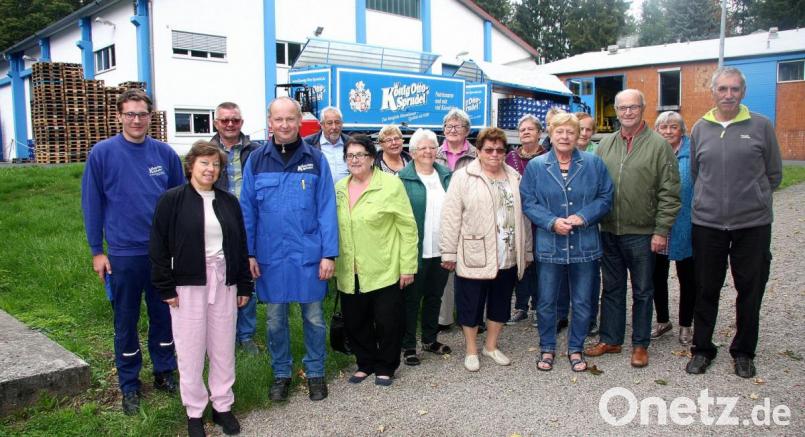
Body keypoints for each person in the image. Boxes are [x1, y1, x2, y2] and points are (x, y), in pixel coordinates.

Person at [81, 89, 182, 415]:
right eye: (130, 114)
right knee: (125, 321)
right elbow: (92, 204)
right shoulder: (103, 153)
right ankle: (129, 384)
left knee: (164, 316)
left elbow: (180, 204)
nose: (137, 120)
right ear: (119, 116)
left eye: (142, 114)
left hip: (161, 255)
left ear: (151, 116)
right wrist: (98, 251)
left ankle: (165, 371)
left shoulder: (165, 154)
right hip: (123, 255)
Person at [685, 67, 782, 378]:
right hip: (708, 224)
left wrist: (753, 198)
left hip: (751, 225)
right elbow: (697, 174)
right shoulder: (700, 128)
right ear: (713, 92)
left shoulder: (761, 126)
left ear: (743, 92)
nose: (728, 95)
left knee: (750, 289)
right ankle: (702, 348)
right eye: (722, 89)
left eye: (734, 89)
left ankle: (743, 351)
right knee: (705, 288)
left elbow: (774, 174)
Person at [150, 141, 252, 437]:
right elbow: (157, 246)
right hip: (187, 285)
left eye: (216, 164)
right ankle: (194, 412)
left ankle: (222, 407)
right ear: (191, 165)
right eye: (204, 163)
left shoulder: (229, 201)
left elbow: (240, 244)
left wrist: (244, 283)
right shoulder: (172, 200)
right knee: (191, 350)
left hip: (224, 282)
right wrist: (165, 286)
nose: (210, 169)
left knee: (222, 348)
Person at [240, 97, 338, 401]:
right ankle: (281, 373)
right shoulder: (256, 160)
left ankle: (316, 372)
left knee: (313, 318)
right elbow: (247, 210)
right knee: (275, 320)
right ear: (270, 122)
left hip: (308, 255)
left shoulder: (316, 160)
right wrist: (249, 253)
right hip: (270, 257)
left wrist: (328, 254)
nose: (284, 125)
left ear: (300, 122)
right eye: (278, 119)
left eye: (290, 119)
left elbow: (326, 209)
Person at [585, 89, 680, 369]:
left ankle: (640, 344)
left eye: (633, 107)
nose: (628, 112)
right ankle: (611, 339)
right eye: (622, 107)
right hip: (609, 230)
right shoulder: (606, 144)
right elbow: (594, 186)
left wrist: (661, 230)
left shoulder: (658, 145)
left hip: (642, 232)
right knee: (611, 288)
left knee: (642, 290)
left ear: (643, 108)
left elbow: (670, 192)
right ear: (616, 110)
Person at [521, 112, 613, 372]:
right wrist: (551, 222)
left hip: (585, 245)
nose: (564, 136)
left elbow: (606, 197)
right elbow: (528, 201)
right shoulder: (537, 166)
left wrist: (583, 217)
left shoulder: (593, 164)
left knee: (583, 301)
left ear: (578, 135)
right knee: (547, 301)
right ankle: (547, 347)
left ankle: (576, 348)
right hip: (550, 244)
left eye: (570, 132)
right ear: (551, 133)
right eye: (559, 131)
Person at [440, 127, 533, 372]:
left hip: (508, 252)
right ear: (478, 151)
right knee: (470, 303)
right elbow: (451, 217)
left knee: (501, 302)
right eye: (488, 149)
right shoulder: (463, 177)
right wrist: (448, 252)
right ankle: (471, 349)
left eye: (500, 150)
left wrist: (527, 250)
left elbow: (523, 217)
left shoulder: (514, 176)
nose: (494, 154)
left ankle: (490, 346)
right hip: (474, 251)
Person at [334, 134, 418, 386]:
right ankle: (365, 362)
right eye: (350, 156)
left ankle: (386, 365)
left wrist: (408, 267)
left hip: (385, 266)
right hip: (350, 268)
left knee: (387, 321)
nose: (355, 160)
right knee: (356, 320)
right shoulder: (339, 188)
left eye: (360, 155)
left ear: (372, 157)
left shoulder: (391, 185)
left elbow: (408, 228)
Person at [210, 101, 260, 356]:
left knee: (246, 276)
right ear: (216, 122)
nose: (230, 124)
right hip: (215, 223)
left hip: (248, 223)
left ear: (242, 122)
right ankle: (222, 332)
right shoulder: (205, 151)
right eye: (225, 120)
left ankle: (246, 334)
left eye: (235, 120)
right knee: (219, 279)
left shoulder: (256, 150)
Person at [399, 129, 453, 366]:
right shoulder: (402, 179)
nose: (428, 151)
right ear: (412, 153)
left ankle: (430, 340)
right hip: (415, 252)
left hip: (440, 250)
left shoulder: (447, 176)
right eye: (422, 148)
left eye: (432, 147)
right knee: (410, 300)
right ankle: (408, 345)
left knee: (434, 297)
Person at [651, 111, 695, 345]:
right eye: (663, 127)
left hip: (686, 224)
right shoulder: (653, 152)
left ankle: (686, 325)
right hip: (658, 225)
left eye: (673, 127)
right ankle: (663, 320)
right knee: (657, 276)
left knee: (688, 277)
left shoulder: (692, 153)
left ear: (681, 130)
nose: (668, 131)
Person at [435, 107, 477, 332]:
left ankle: (470, 317)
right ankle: (443, 318)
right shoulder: (435, 154)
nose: (452, 130)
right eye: (448, 126)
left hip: (470, 216)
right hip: (442, 217)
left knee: (471, 269)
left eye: (457, 126)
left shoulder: (477, 155)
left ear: (467, 131)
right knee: (446, 266)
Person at [505, 114, 546, 325]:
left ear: (540, 133)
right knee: (521, 262)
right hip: (518, 218)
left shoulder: (548, 156)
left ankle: (539, 306)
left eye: (531, 129)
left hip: (541, 219)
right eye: (522, 130)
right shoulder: (510, 158)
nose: (526, 132)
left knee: (539, 263)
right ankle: (520, 306)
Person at [304, 106, 350, 183]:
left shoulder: (350, 143)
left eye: (337, 122)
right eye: (329, 123)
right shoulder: (309, 144)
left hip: (346, 193)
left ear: (342, 124)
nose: (334, 127)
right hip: (320, 193)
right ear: (321, 125)